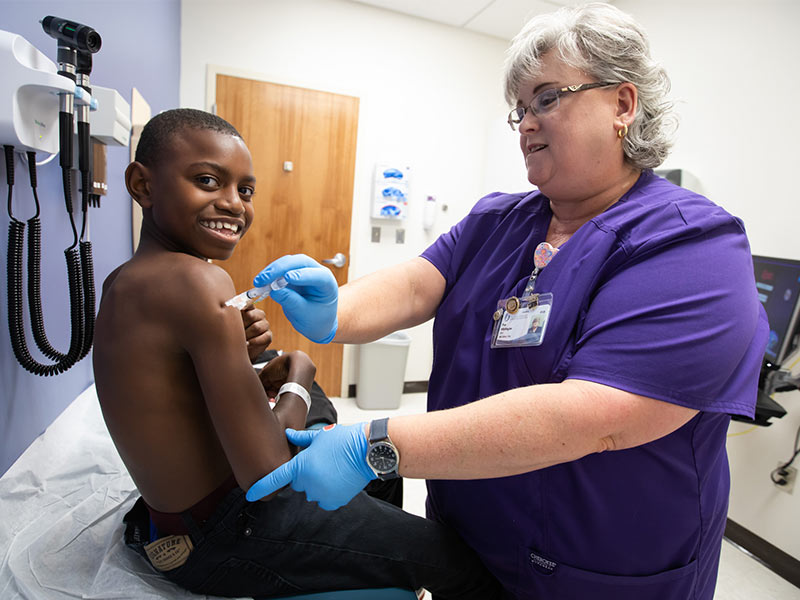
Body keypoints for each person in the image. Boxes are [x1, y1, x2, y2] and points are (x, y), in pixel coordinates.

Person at [246, 4, 769, 600]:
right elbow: (419, 283)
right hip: (466, 541)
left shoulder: (691, 245)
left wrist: (379, 446)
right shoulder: (500, 219)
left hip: (600, 570)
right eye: (520, 108)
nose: (525, 123)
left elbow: (594, 417)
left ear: (623, 105)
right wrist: (337, 309)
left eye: (547, 98)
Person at [92, 108, 501, 599]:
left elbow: (176, 395)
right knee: (458, 562)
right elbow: (270, 473)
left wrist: (238, 361)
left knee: (350, 442)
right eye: (207, 180)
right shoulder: (197, 281)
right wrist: (299, 375)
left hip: (169, 525)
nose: (233, 204)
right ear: (142, 184)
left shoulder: (123, 280)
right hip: (226, 535)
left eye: (245, 190)